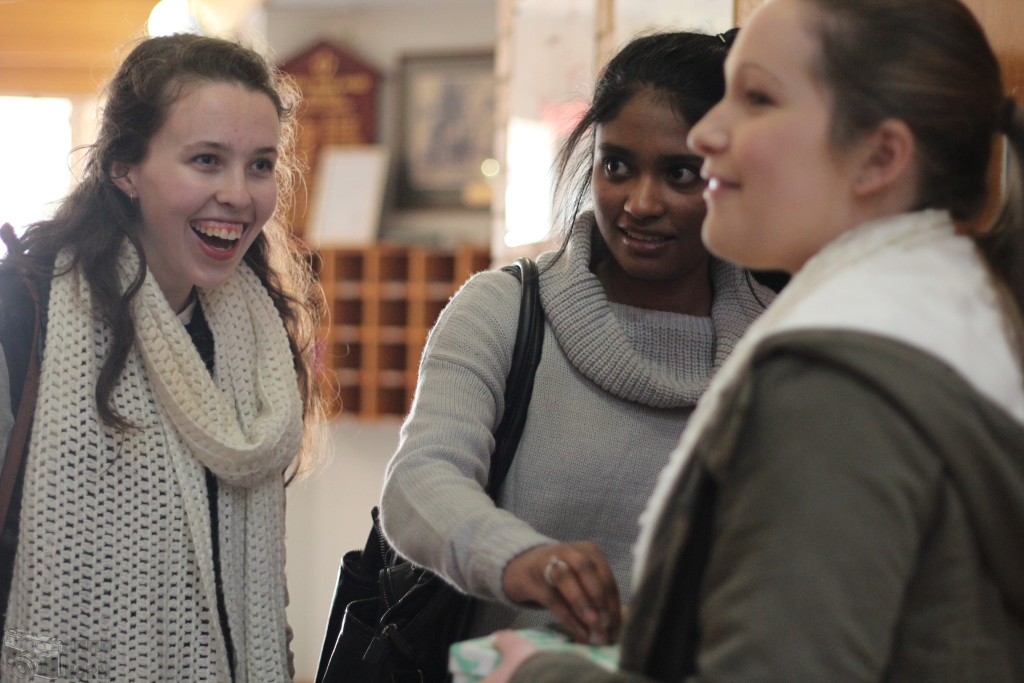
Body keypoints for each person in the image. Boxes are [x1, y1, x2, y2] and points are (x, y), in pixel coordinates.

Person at [484, 0, 1024, 680]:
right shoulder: (957, 323)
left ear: (878, 156)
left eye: (758, 97)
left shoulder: (832, 388)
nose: (709, 130)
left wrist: (540, 673)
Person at [379, 29, 776, 647]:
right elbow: (419, 484)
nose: (641, 203)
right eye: (616, 165)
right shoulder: (504, 311)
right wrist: (519, 559)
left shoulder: (779, 341)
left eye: (681, 174)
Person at [0, 33, 325, 680]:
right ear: (124, 168)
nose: (238, 193)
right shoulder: (24, 315)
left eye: (260, 164)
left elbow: (260, 583)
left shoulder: (259, 338)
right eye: (206, 160)